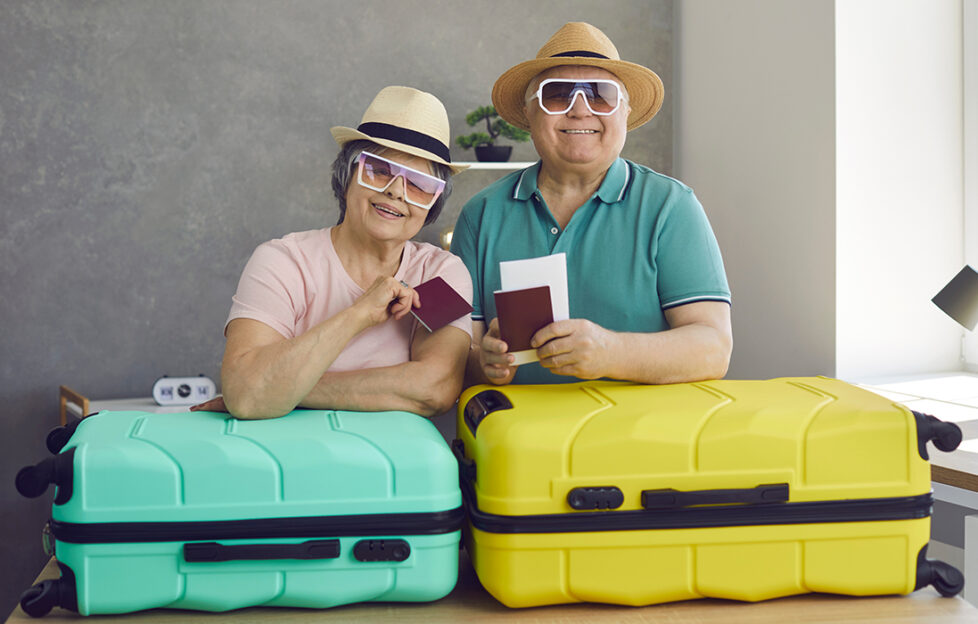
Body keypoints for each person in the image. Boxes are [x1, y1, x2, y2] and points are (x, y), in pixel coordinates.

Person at [451, 22, 731, 387]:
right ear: (529, 114)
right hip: (515, 439)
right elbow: (456, 354)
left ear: (625, 112)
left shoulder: (672, 208)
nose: (580, 110)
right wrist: (483, 362)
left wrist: (610, 352)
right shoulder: (480, 215)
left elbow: (713, 349)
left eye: (600, 94)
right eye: (557, 95)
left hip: (642, 439)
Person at [196, 86, 472, 419]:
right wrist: (359, 314)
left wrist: (281, 389)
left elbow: (435, 389)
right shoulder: (282, 262)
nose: (396, 191)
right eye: (379, 170)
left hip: (397, 463)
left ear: (432, 204)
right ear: (347, 176)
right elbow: (248, 395)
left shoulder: (439, 275)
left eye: (419, 184)